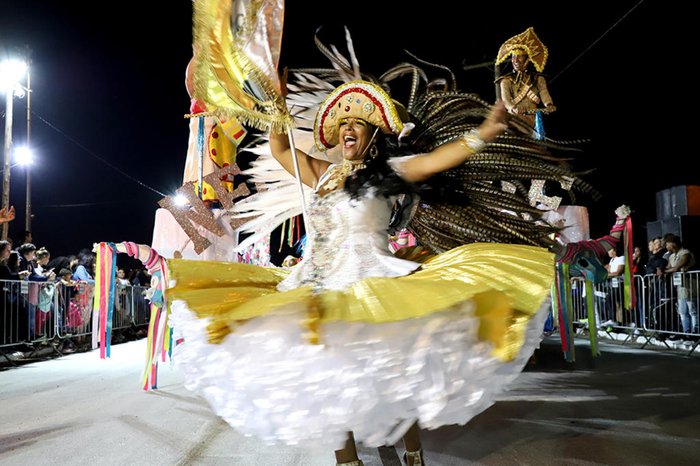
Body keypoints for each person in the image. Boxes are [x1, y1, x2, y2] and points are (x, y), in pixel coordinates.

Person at [495, 27, 556, 138]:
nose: (516, 60)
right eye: (513, 57)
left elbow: (543, 92)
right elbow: (506, 100)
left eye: (520, 56)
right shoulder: (506, 80)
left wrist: (549, 104)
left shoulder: (537, 78)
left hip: (534, 119)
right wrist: (514, 108)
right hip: (516, 119)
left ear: (527, 59)